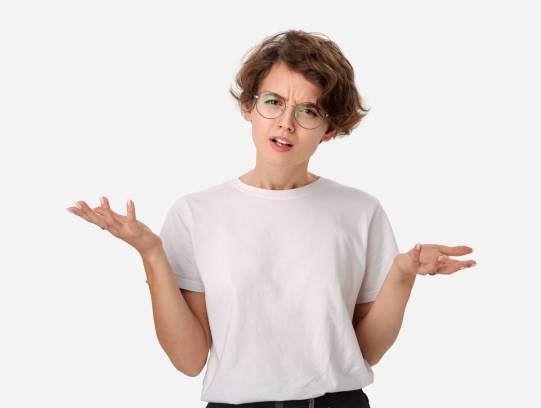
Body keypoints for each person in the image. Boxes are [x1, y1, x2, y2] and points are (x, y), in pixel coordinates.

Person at [67, 29, 477, 408]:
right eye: (273, 102)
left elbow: (365, 352)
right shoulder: (195, 213)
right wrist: (152, 253)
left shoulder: (360, 211)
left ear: (329, 128)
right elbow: (190, 360)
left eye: (308, 111)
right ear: (249, 107)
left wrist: (402, 274)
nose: (286, 122)